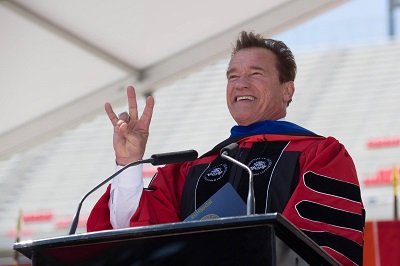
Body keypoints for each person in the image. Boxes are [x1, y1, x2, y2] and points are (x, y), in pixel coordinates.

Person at [87, 31, 365, 265]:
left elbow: (324, 249)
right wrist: (127, 162)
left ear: (287, 90)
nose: (241, 83)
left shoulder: (319, 157)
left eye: (256, 73)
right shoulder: (190, 171)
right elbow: (132, 234)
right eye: (232, 76)